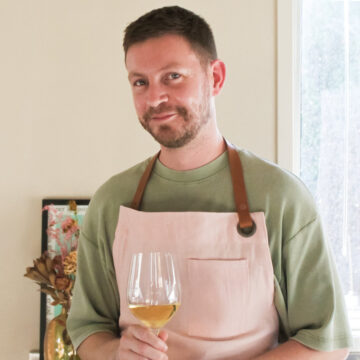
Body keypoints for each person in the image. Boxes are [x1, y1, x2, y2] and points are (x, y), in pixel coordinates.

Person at [67, 6, 353, 360]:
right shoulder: (113, 201)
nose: (154, 98)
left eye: (172, 76)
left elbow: (326, 343)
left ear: (215, 77)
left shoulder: (281, 197)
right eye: (140, 82)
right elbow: (88, 330)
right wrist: (115, 353)